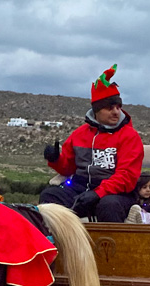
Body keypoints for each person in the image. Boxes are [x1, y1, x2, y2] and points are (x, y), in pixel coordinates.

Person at [39, 64, 144, 223]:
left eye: (118, 107)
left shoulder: (129, 136)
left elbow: (126, 177)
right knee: (49, 196)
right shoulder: (79, 134)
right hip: (81, 189)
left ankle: (112, 247)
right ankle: (59, 245)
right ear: (97, 110)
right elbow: (68, 168)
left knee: (108, 206)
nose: (116, 112)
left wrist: (98, 193)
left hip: (115, 194)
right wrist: (55, 160)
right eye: (110, 107)